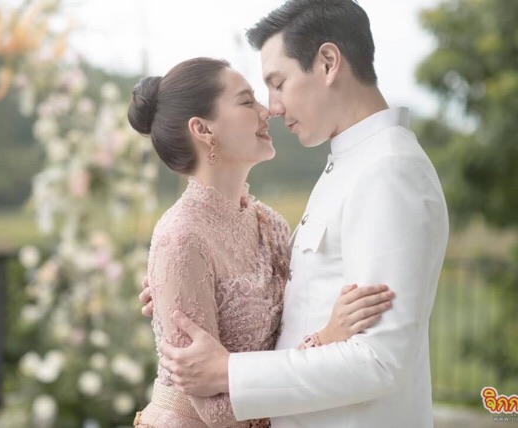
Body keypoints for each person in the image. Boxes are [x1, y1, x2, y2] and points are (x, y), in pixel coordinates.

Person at [142, 1, 450, 427]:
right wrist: (184, 281)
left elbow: (380, 360)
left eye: (278, 83)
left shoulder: (388, 171)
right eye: (256, 95)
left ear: (328, 63)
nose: (273, 107)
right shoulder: (350, 164)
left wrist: (229, 372)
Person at [128, 57, 395, 428]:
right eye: (246, 101)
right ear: (203, 129)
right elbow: (216, 410)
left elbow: (296, 319)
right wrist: (326, 340)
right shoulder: (180, 237)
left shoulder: (271, 225)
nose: (267, 111)